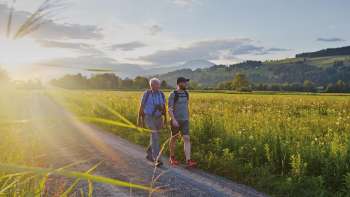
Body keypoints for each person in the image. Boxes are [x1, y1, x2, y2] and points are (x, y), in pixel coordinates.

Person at [168, 77, 197, 168]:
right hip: (175, 120)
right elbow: (169, 109)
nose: (186, 84)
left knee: (187, 138)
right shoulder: (173, 94)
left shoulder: (186, 93)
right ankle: (172, 157)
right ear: (179, 83)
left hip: (185, 120)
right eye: (184, 83)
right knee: (174, 139)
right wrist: (173, 120)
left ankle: (188, 160)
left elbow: (186, 106)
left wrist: (188, 117)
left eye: (186, 83)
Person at [138, 78, 167, 167]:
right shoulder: (146, 94)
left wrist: (165, 119)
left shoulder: (161, 94)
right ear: (151, 86)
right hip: (149, 117)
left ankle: (149, 152)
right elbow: (141, 107)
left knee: (155, 136)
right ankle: (157, 159)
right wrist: (139, 119)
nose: (157, 86)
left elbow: (164, 107)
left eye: (158, 84)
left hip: (158, 117)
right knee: (155, 136)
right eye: (154, 85)